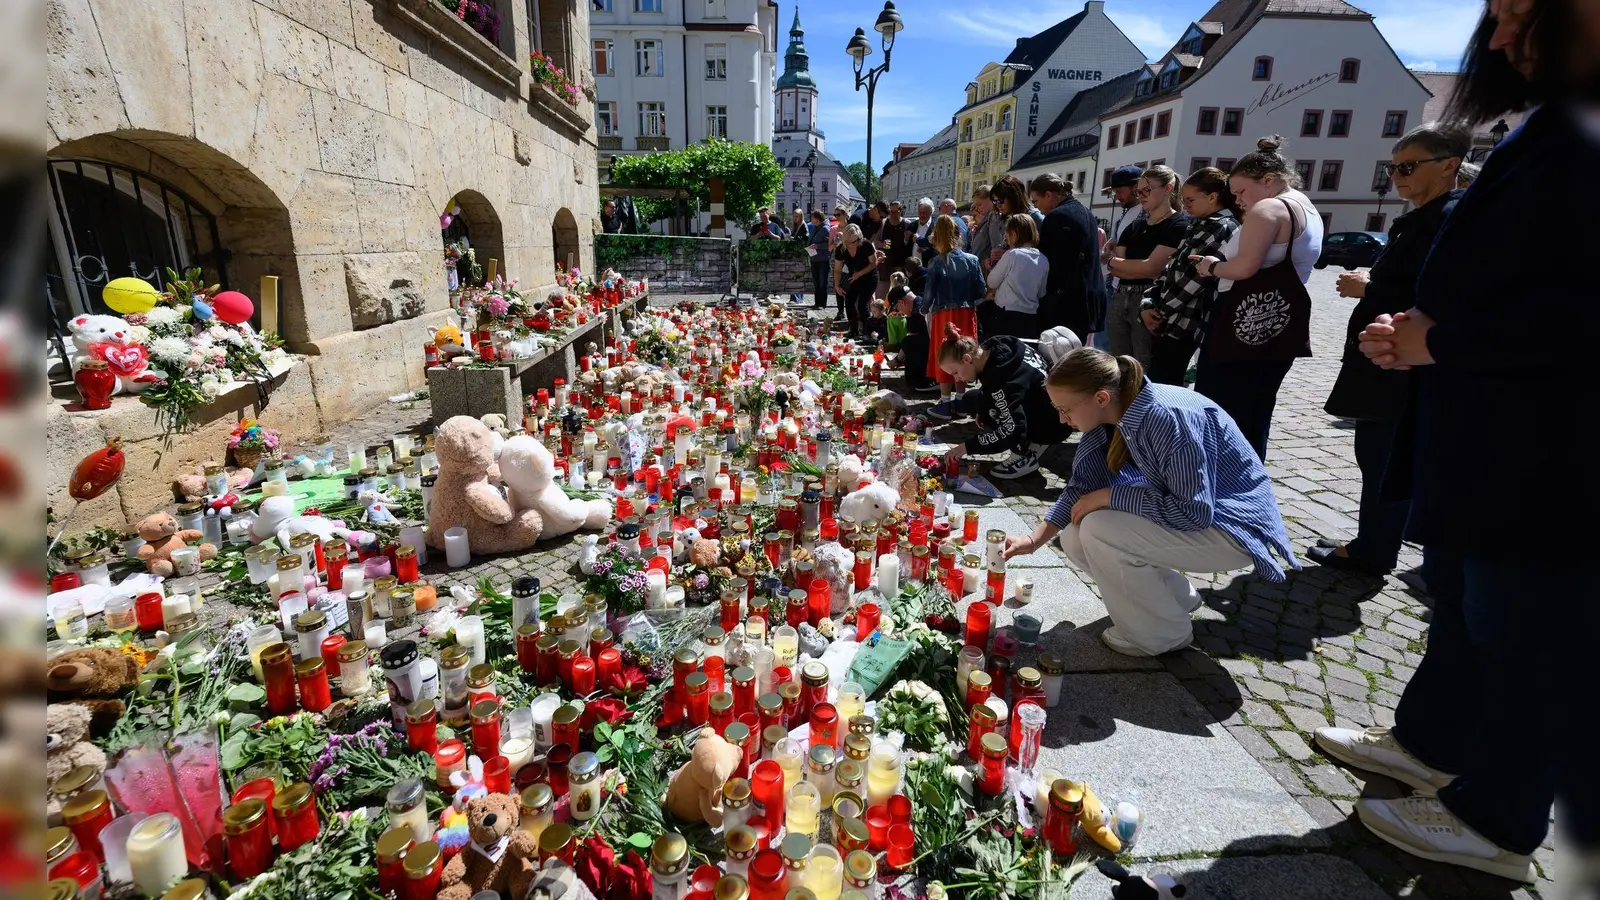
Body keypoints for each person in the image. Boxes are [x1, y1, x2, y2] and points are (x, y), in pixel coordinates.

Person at [1325, 0, 1598, 880]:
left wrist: (1439, 340)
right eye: (1502, 15)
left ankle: (1498, 821)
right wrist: (1421, 332)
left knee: (1528, 639)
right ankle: (1430, 743)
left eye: (1528, 13)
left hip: (1553, 454)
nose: (1506, 36)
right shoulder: (1551, 120)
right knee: (1462, 607)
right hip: (1485, 431)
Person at [1001, 348, 1295, 656]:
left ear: (1100, 398)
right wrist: (1033, 540)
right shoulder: (1109, 416)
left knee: (1098, 528)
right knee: (1076, 534)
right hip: (1202, 518)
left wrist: (1111, 495)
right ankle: (1175, 596)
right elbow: (1081, 488)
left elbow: (1194, 512)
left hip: (1232, 528)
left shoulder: (1164, 418)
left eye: (1065, 410)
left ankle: (1164, 635)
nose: (1062, 419)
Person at [1308, 124, 1468, 576]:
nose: (1396, 175)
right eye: (1393, 166)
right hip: (1388, 362)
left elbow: (1435, 294)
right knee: (1375, 455)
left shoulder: (1446, 220)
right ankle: (1373, 542)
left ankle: (1372, 551)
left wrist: (1369, 287)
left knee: (1383, 458)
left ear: (1449, 165)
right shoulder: (1425, 217)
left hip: (1404, 367)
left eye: (1408, 166)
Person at [1189, 137, 1324, 460]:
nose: (1237, 201)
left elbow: (1245, 267)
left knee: (1222, 411)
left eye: (1240, 192)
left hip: (1240, 323)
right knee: (1254, 411)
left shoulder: (1270, 208)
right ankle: (1246, 485)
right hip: (1274, 323)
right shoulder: (1305, 205)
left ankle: (1225, 486)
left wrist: (1212, 267)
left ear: (1267, 180)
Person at [1139, 168, 1241, 386]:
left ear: (1212, 197)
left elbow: (1195, 279)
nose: (1184, 206)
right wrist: (1148, 302)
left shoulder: (1221, 227)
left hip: (1184, 324)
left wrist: (1160, 312)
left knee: (1167, 385)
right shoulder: (1198, 223)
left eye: (1190, 200)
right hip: (1168, 321)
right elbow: (1169, 269)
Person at [937, 324, 1067, 479]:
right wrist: (983, 409)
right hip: (1043, 405)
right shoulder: (997, 347)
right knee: (972, 399)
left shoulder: (1003, 382)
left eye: (955, 372)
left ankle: (1024, 455)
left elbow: (1011, 428)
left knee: (999, 416)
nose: (956, 379)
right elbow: (991, 388)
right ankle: (1025, 439)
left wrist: (966, 447)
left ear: (967, 359)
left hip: (1055, 423)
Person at [1105, 166, 1189, 367]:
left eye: (1147, 190)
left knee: (1145, 363)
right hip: (1121, 295)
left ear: (1168, 188)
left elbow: (1152, 269)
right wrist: (1128, 266)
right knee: (1120, 364)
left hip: (1148, 299)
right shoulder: (1136, 225)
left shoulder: (1178, 224)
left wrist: (1112, 261)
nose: (1141, 196)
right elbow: (1119, 269)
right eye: (1138, 191)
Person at [919, 215, 985, 420]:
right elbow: (981, 290)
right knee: (964, 354)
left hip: (944, 314)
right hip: (966, 312)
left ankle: (945, 404)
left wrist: (923, 310)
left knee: (946, 356)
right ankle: (961, 402)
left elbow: (928, 294)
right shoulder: (972, 260)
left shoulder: (936, 262)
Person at [1030, 173, 1108, 339]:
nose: (1037, 208)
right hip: (1086, 298)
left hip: (1067, 303)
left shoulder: (1058, 217)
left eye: (1036, 201)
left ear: (1048, 195)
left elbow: (1052, 263)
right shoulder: (1085, 212)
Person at [981, 213, 1048, 339]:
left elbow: (992, 282)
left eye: (1007, 237)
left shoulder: (1012, 255)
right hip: (1030, 317)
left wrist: (993, 269)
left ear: (1014, 234)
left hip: (1007, 314)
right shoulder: (1043, 259)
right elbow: (1041, 292)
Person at [890, 265, 936, 393]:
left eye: (897, 308)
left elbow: (910, 340)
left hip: (936, 351)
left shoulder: (917, 312)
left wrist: (897, 360)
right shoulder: (919, 301)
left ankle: (928, 380)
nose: (900, 312)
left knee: (909, 343)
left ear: (901, 303)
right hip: (934, 347)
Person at [1101, 165, 1145, 293]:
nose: (1117, 197)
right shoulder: (1126, 211)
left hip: (1133, 288)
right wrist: (1112, 243)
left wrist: (1113, 258)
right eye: (1115, 192)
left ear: (1135, 187)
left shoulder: (1148, 213)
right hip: (1115, 285)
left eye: (1119, 191)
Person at [832, 223, 878, 337]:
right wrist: (837, 286)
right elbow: (837, 269)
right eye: (853, 242)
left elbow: (874, 263)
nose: (856, 243)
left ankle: (868, 332)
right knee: (849, 301)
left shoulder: (866, 245)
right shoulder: (841, 249)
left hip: (869, 276)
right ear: (846, 241)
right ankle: (853, 330)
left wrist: (860, 273)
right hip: (854, 277)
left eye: (858, 240)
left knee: (862, 304)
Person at [968, 184, 1006, 276]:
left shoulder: (994, 218)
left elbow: (996, 245)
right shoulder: (988, 218)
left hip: (987, 270)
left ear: (990, 199)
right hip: (981, 268)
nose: (977, 208)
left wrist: (987, 259)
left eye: (979, 204)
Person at [807, 210, 833, 309]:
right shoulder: (815, 228)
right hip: (814, 259)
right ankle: (817, 303)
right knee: (816, 283)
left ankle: (822, 304)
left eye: (812, 217)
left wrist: (817, 246)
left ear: (817, 219)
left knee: (822, 283)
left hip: (822, 260)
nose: (811, 219)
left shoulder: (826, 229)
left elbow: (829, 244)